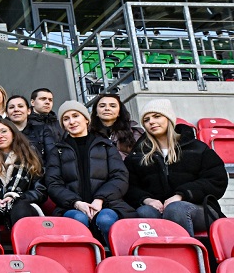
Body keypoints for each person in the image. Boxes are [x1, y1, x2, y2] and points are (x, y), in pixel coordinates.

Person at [125, 99, 228, 236]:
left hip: (200, 209)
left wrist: (181, 195)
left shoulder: (197, 148)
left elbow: (217, 180)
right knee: (144, 211)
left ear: (169, 118)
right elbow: (130, 186)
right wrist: (147, 200)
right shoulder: (138, 155)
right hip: (158, 208)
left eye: (157, 116)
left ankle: (188, 254)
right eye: (146, 119)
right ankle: (158, 254)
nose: (151, 122)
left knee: (176, 209)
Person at [45, 100, 134, 242]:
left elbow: (120, 176)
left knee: (106, 220)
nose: (72, 121)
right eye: (66, 119)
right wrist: (76, 203)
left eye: (75, 116)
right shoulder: (58, 151)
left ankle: (116, 260)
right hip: (71, 207)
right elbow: (53, 183)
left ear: (86, 119)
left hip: (107, 204)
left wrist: (100, 200)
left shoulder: (105, 145)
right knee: (78, 220)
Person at [5, 94, 56, 164]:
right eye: (11, 107)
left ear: (29, 111)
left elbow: (53, 158)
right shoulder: (2, 135)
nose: (16, 109)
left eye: (20, 106)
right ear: (6, 113)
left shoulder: (42, 130)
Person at [90, 93, 142, 158]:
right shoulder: (88, 134)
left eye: (112, 106)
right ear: (96, 112)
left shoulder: (135, 133)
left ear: (119, 112)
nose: (107, 109)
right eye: (102, 106)